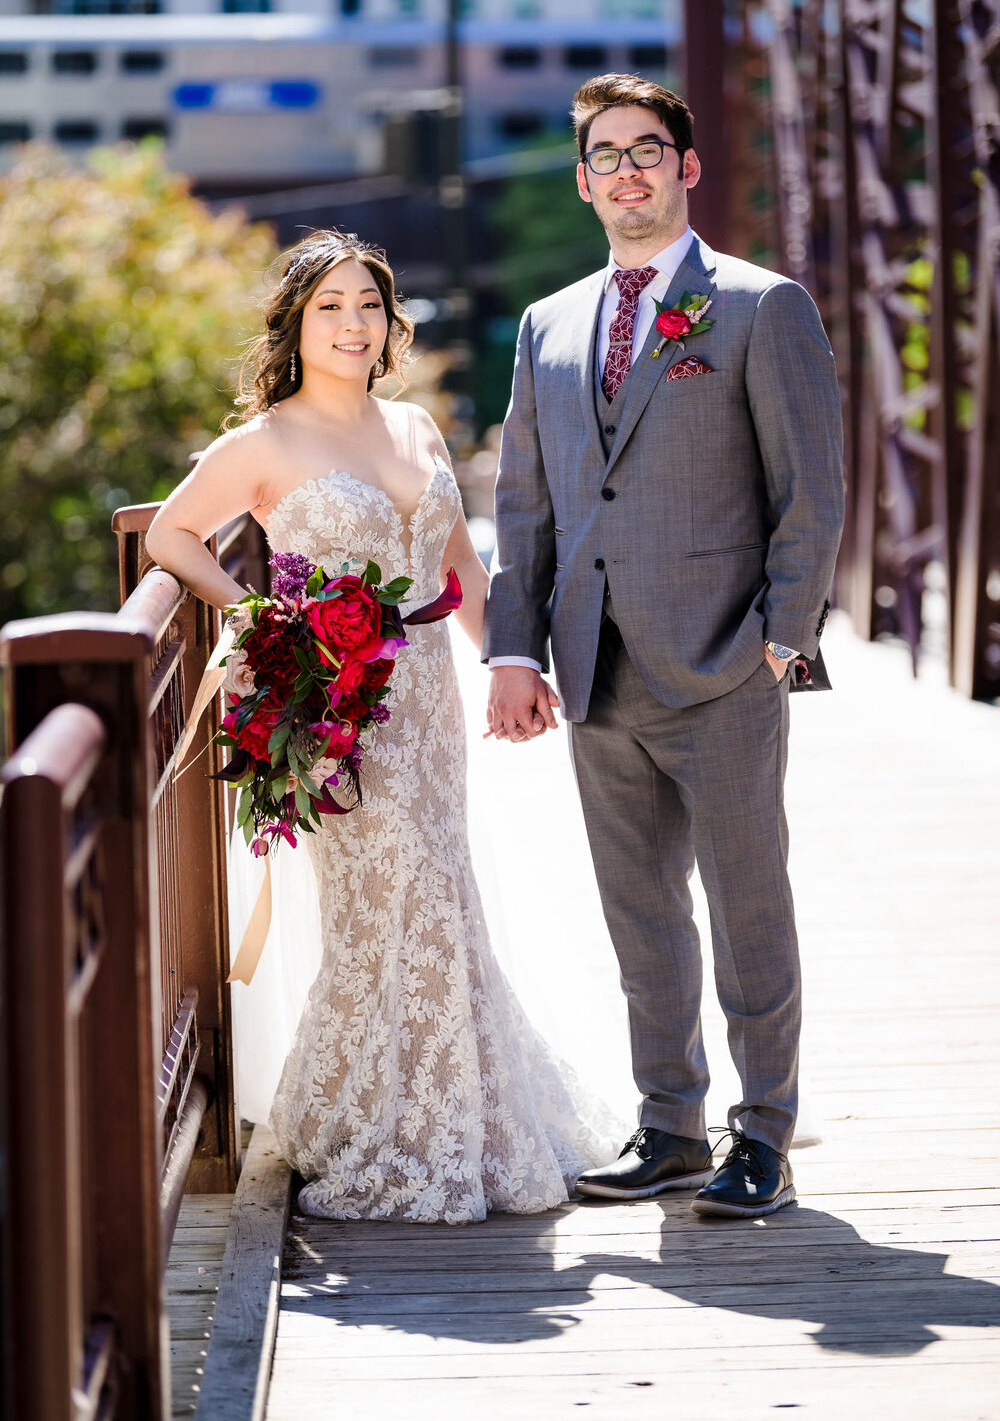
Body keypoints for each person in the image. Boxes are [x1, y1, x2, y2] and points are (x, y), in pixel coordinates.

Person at [146, 230, 614, 1224]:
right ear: (296, 324)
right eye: (330, 307)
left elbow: (459, 570)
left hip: (431, 695)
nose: (352, 325)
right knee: (382, 900)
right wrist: (256, 617)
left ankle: (459, 1116)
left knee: (443, 885)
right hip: (334, 700)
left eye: (368, 305)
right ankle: (378, 1128)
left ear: (388, 322)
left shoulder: (414, 431)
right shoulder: (262, 443)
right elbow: (167, 533)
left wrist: (510, 662)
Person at [483, 74, 845, 1218]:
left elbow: (810, 494)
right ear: (582, 179)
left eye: (648, 149)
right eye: (604, 153)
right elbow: (524, 508)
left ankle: (764, 1138)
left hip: (723, 662)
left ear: (686, 169)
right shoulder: (547, 324)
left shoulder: (758, 305)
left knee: (748, 911)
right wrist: (513, 651)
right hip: (594, 669)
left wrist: (779, 644)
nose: (627, 169)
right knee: (639, 914)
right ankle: (670, 1126)